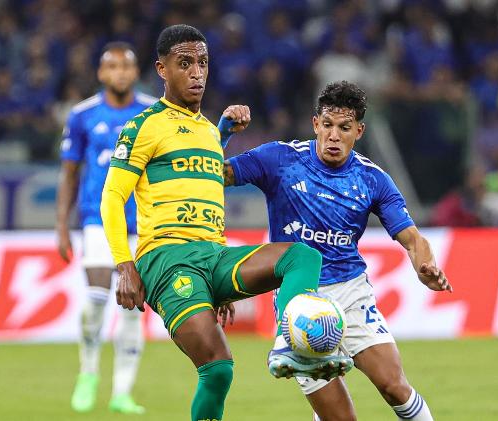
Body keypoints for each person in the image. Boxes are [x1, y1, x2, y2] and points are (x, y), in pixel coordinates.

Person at [100, 24, 353, 421]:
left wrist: (222, 134)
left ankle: (291, 343)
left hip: (212, 255)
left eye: (202, 62)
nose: (197, 72)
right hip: (167, 260)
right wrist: (124, 264)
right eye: (185, 64)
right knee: (218, 367)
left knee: (302, 257)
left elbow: (202, 185)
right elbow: (112, 197)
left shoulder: (204, 130)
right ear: (162, 69)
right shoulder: (142, 126)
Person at [223, 81, 450, 420]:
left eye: (344, 128)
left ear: (358, 131)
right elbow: (214, 174)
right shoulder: (280, 159)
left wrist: (424, 264)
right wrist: (222, 134)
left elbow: (413, 238)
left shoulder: (372, 179)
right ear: (315, 123)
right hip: (298, 301)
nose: (333, 135)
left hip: (351, 292)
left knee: (393, 386)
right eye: (327, 125)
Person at [55, 42, 155, 414]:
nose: (120, 73)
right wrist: (61, 227)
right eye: (112, 66)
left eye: (126, 66)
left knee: (131, 309)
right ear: (101, 73)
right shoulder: (82, 115)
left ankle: (122, 392)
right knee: (96, 300)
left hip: (141, 223)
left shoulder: (150, 113)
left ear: (135, 71)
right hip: (97, 219)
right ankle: (88, 373)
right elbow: (69, 173)